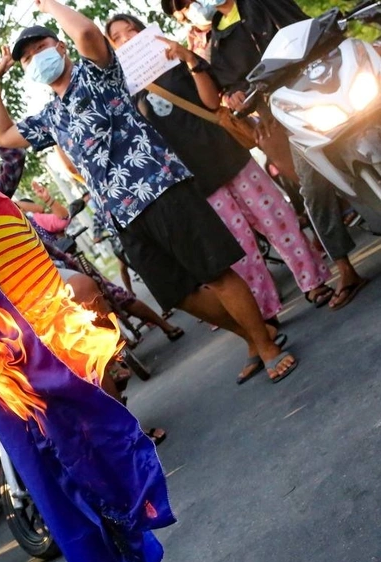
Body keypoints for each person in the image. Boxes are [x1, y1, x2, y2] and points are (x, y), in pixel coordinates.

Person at [0, 0, 297, 383]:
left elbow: (85, 33)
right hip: (122, 214)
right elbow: (3, 136)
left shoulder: (96, 72)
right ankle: (252, 336)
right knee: (178, 294)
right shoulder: (51, 115)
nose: (36, 59)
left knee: (215, 273)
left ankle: (267, 348)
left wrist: (48, 5)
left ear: (60, 47)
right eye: (28, 58)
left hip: (160, 187)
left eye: (41, 48)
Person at [105, 14, 334, 336]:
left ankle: (313, 281)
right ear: (112, 48)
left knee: (277, 218)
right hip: (193, 180)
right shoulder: (123, 93)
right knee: (239, 249)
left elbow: (211, 102)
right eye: (118, 37)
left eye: (132, 30)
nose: (128, 38)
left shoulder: (179, 60)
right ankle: (264, 312)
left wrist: (189, 60)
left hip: (228, 156)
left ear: (146, 33)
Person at [165, 0, 368, 310]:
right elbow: (225, 93)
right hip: (285, 115)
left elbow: (307, 28)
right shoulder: (213, 44)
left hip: (326, 85)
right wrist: (236, 97)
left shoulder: (259, 3)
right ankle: (345, 268)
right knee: (312, 188)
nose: (194, 4)